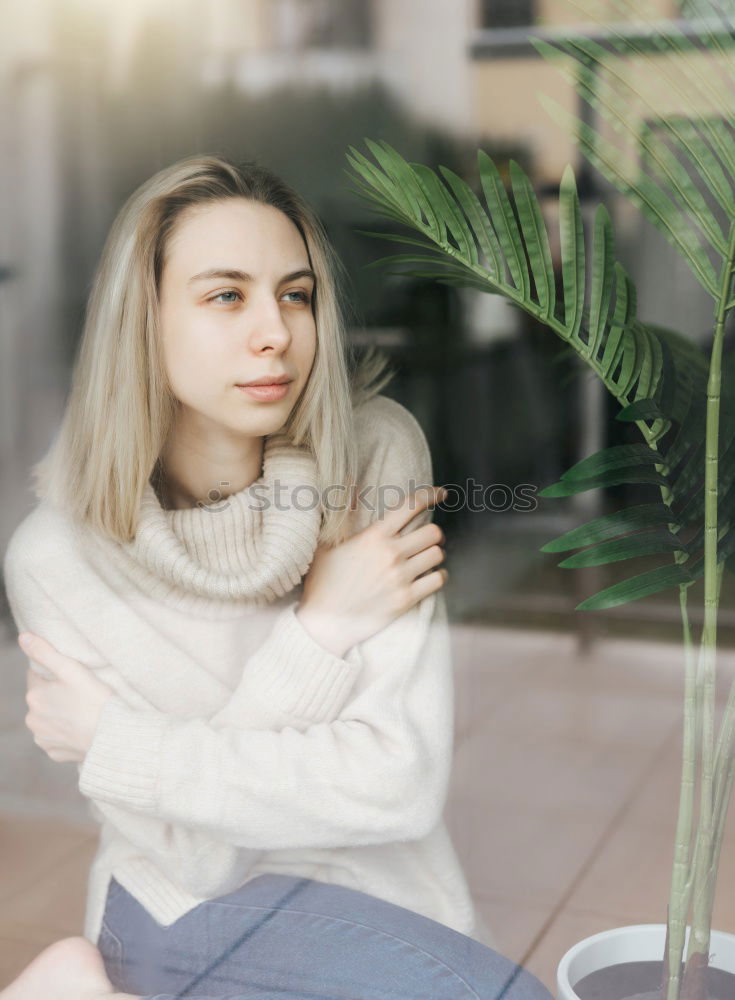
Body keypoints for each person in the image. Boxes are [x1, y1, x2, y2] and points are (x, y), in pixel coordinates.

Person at [2, 154, 553, 1000]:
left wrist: (124, 746)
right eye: (226, 295)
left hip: (380, 897)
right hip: (180, 909)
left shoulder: (373, 458)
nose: (276, 333)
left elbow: (395, 784)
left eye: (294, 294)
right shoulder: (59, 557)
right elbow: (195, 854)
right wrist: (318, 633)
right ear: (140, 321)